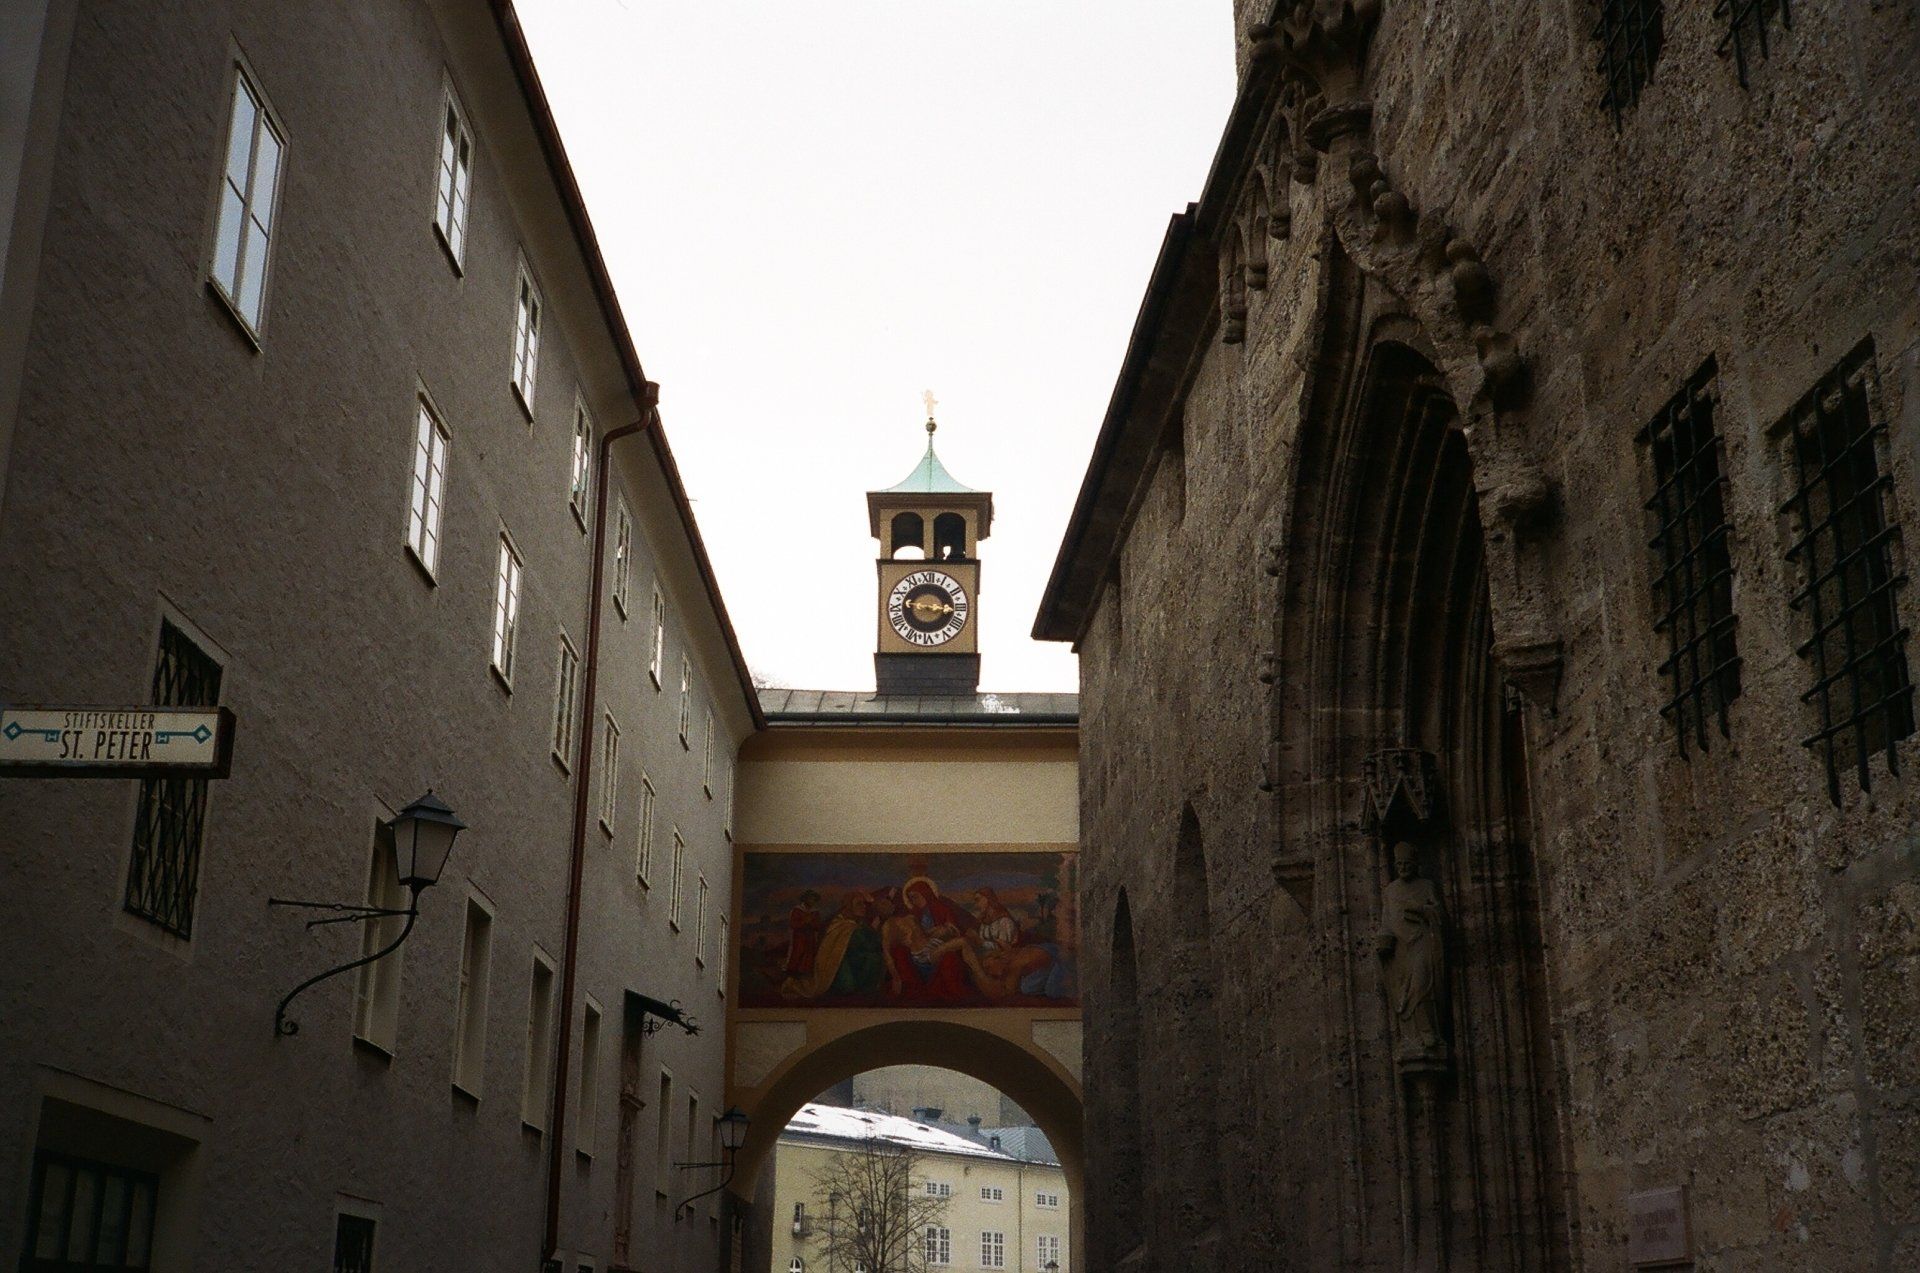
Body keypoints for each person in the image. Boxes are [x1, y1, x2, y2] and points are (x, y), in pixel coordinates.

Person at [1374, 841, 1448, 1065]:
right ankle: (1413, 1036)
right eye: (1399, 864)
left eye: (1407, 863)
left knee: (1422, 984)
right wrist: (1383, 939)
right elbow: (1387, 920)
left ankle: (1429, 1032)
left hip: (1422, 943)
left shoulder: (1426, 886)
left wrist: (1422, 910)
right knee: (1406, 993)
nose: (1403, 867)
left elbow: (1439, 915)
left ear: (1415, 864)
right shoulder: (1390, 891)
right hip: (1400, 950)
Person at [784, 890, 823, 979]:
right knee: (798, 951)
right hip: (799, 937)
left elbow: (818, 926)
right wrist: (804, 921)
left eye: (813, 899)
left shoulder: (815, 912)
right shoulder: (797, 910)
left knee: (809, 953)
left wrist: (811, 923)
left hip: (810, 937)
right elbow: (793, 924)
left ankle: (805, 972)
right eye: (810, 899)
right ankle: (793, 971)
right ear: (805, 899)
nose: (812, 901)